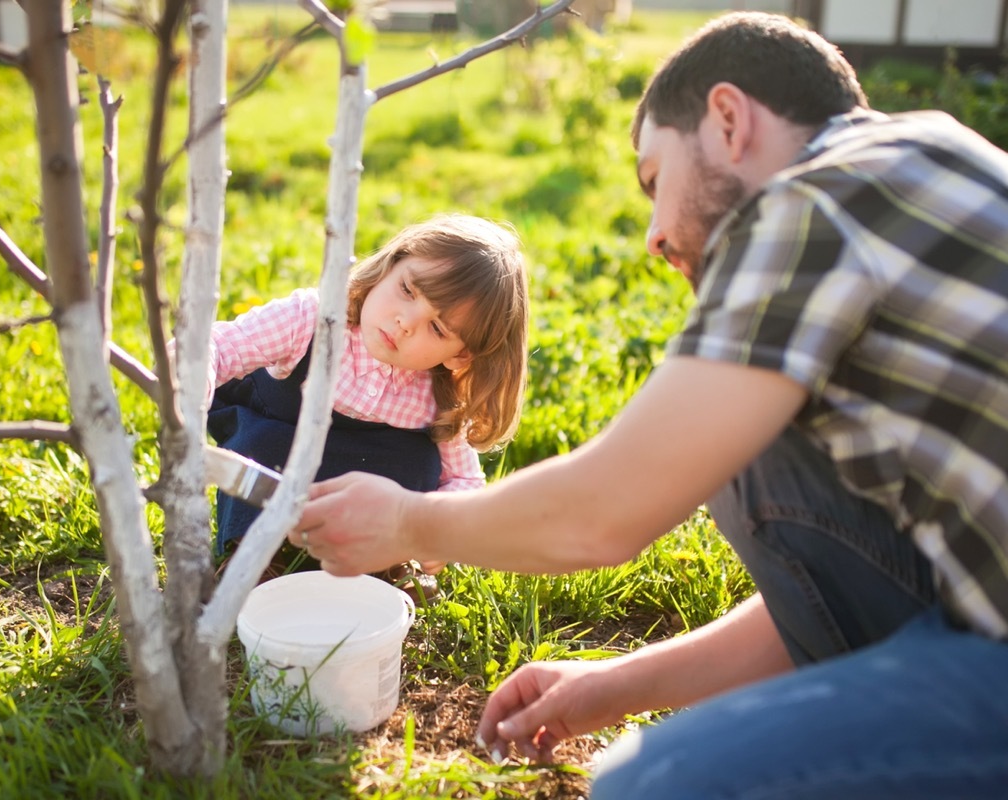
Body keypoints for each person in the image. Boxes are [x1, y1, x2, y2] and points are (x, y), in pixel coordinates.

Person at [294, 11, 1008, 798]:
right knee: (757, 451)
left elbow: (603, 514)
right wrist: (607, 688)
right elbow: (862, 582)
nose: (654, 238)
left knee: (646, 787)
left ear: (729, 121)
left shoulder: (814, 201)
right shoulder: (936, 157)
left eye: (653, 179)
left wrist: (403, 522)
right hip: (976, 611)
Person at [208, 213, 528, 602]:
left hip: (363, 493)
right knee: (259, 446)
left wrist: (438, 530)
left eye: (438, 328)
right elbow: (222, 346)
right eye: (408, 290)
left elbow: (463, 481)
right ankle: (254, 558)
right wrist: (190, 371)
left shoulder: (440, 396)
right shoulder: (312, 319)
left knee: (419, 465)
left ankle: (387, 565)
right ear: (390, 266)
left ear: (459, 355)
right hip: (281, 453)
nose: (405, 321)